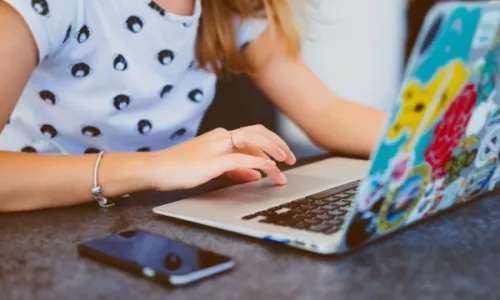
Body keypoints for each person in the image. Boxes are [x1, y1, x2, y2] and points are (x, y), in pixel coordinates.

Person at [0, 0, 385, 212]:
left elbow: (326, 111)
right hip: (34, 222)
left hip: (145, 220)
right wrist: (156, 167)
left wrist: (438, 135)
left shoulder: (230, 8)